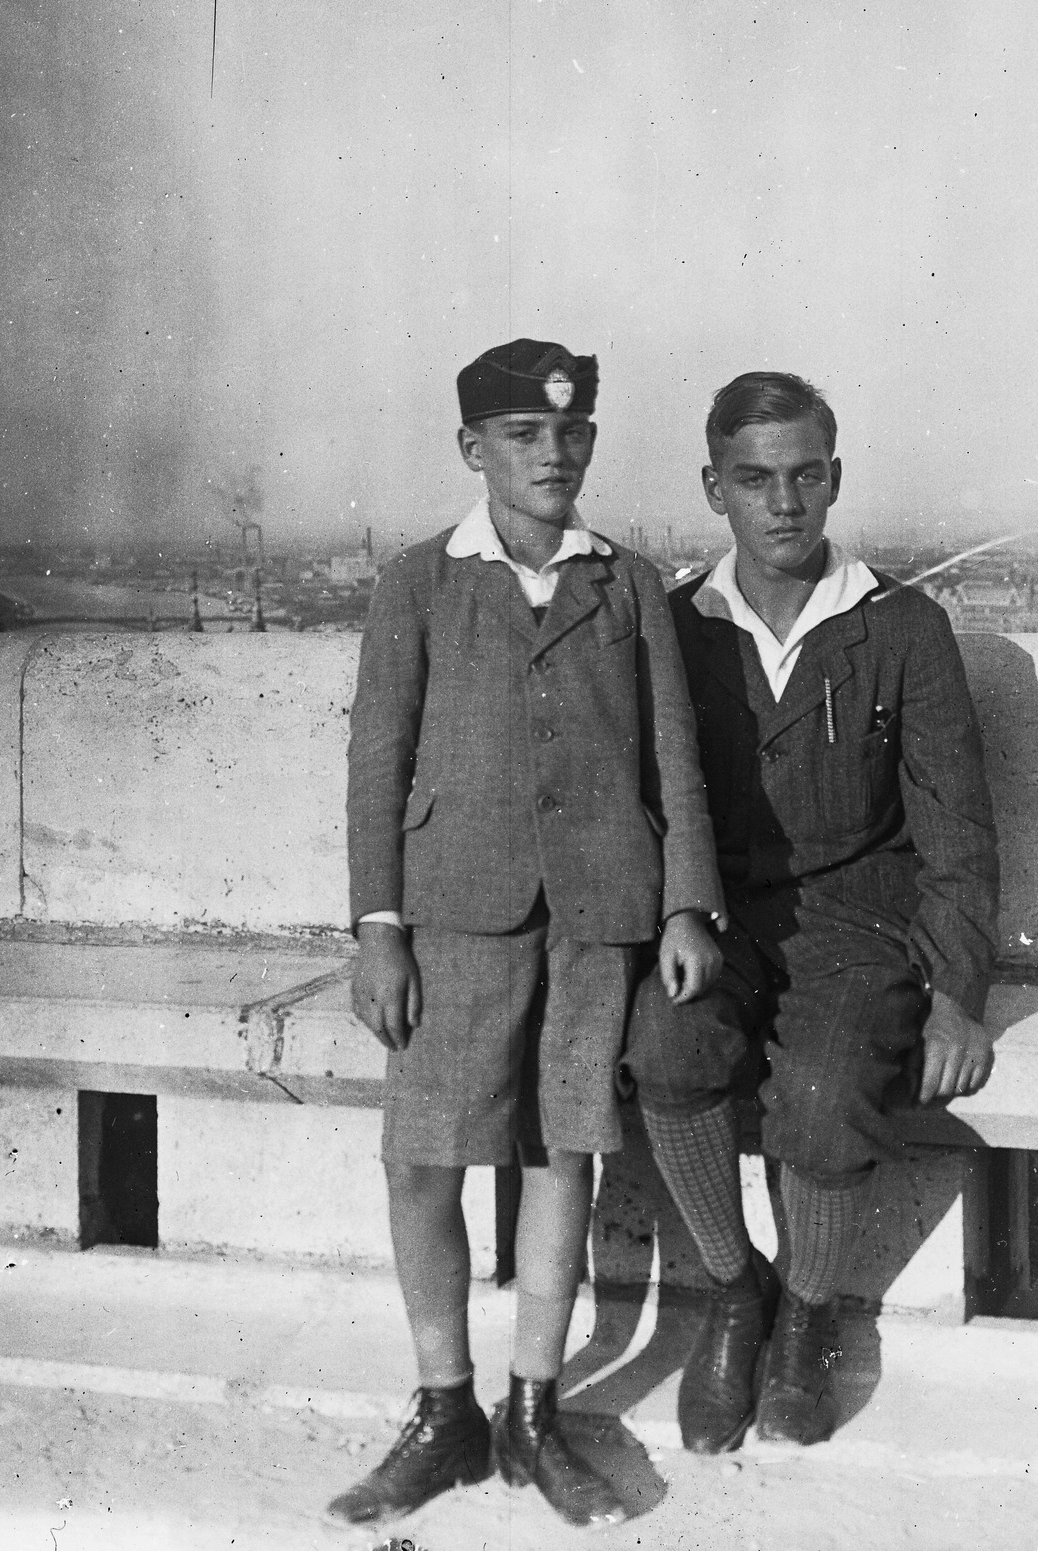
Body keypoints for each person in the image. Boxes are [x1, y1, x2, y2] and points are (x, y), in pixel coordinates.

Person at [332, 339, 725, 1527]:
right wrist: (379, 927)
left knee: (564, 1152)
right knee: (421, 1159)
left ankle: (534, 1409)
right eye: (521, 436)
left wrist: (685, 904)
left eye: (569, 434)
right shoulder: (420, 583)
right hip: (456, 916)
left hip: (595, 919)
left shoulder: (631, 585)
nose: (550, 454)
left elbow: (675, 762)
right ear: (472, 450)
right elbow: (375, 760)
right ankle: (443, 1407)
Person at [624, 371, 1000, 1452]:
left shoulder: (899, 626)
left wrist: (957, 997)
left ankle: (807, 1313)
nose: (783, 503)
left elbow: (957, 833)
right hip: (721, 918)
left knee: (829, 1096)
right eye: (754, 480)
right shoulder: (678, 627)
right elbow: (644, 802)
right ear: (714, 488)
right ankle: (733, 1290)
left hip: (859, 924)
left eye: (804, 477)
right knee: (665, 1039)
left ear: (833, 479)